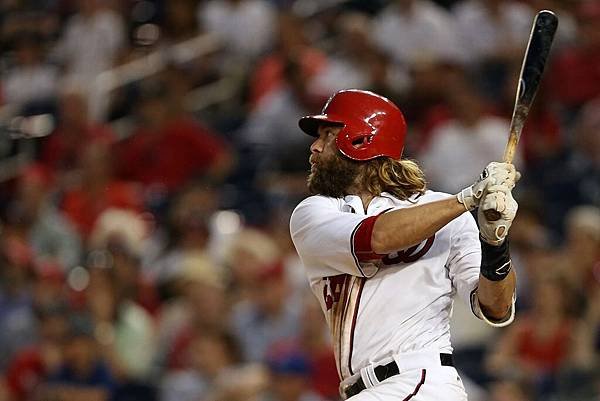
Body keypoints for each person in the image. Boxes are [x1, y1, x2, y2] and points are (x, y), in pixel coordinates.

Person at [289, 89, 519, 400]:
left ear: (360, 140)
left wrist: (495, 242)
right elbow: (377, 237)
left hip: (421, 380)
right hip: (367, 389)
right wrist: (466, 199)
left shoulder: (445, 212)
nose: (315, 147)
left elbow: (496, 307)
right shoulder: (314, 213)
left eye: (329, 135)